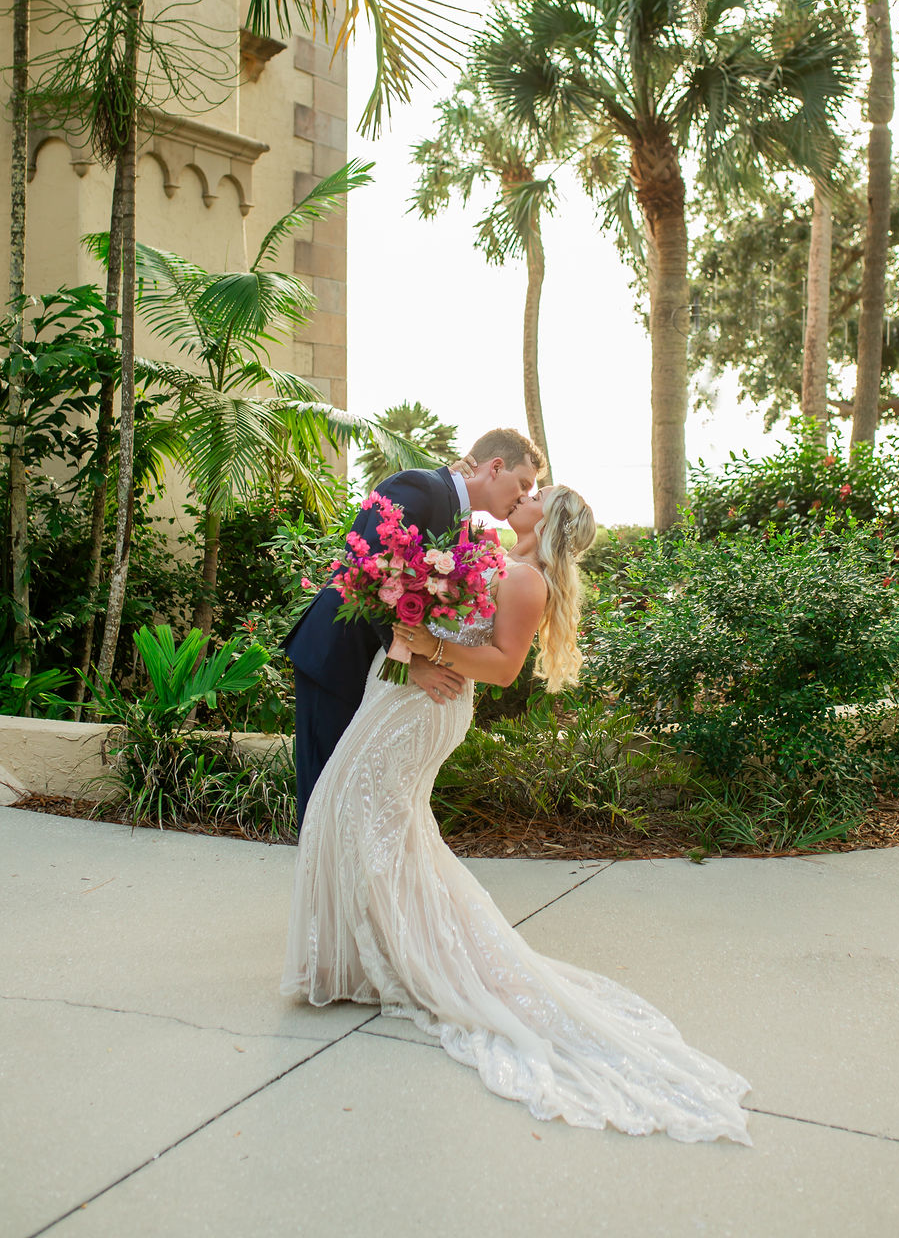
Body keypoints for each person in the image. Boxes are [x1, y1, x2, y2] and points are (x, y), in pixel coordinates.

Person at [281, 481, 752, 1144]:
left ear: (548, 516)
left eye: (537, 492)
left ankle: (390, 960)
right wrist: (405, 657)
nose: (524, 494)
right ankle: (365, 956)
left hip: (429, 710)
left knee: (362, 812)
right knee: (358, 814)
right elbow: (412, 639)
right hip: (398, 697)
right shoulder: (486, 554)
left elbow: (501, 669)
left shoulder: (527, 580)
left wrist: (429, 651)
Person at [283, 428, 543, 827]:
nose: (523, 496)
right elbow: (367, 573)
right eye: (523, 483)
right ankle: (322, 888)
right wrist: (409, 662)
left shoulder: (459, 518)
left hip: (375, 677)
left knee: (355, 798)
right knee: (326, 795)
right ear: (495, 467)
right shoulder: (418, 486)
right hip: (337, 655)